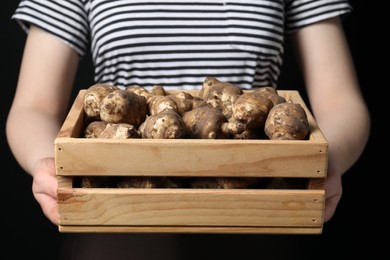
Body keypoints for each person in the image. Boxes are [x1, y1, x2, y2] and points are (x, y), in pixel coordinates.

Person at [6, 0, 370, 259]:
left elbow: (341, 101)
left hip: (255, 211)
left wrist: (323, 162)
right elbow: (33, 106)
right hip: (119, 215)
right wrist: (47, 164)